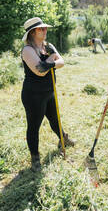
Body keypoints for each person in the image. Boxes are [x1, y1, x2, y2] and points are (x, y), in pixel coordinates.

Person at [21, 17, 74, 171]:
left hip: (49, 91)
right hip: (33, 95)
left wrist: (48, 62)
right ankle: (35, 157)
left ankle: (63, 139)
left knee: (55, 119)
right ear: (32, 32)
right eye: (41, 29)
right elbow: (40, 71)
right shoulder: (27, 50)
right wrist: (52, 60)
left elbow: (62, 62)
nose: (45, 31)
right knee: (34, 126)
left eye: (45, 28)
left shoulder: (48, 46)